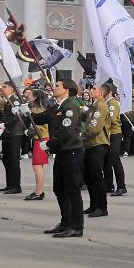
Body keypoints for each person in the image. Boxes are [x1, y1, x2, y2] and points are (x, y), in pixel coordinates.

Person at [32, 79, 85, 238]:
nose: (53, 88)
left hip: (72, 152)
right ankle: (65, 222)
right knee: (59, 189)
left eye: (57, 86)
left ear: (66, 90)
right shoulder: (57, 107)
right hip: (62, 152)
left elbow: (66, 132)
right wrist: (24, 111)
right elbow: (40, 118)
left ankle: (76, 227)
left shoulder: (71, 107)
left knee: (72, 190)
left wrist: (49, 144)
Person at [82, 84, 111, 218]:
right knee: (89, 176)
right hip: (91, 144)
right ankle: (94, 204)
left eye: (94, 89)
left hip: (98, 143)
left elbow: (94, 128)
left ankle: (101, 206)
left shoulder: (100, 106)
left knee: (96, 176)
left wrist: (81, 136)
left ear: (100, 93)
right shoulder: (94, 106)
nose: (90, 90)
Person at [0, 81, 26, 194]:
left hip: (14, 133)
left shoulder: (15, 100)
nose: (2, 89)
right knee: (6, 159)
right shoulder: (7, 100)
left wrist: (5, 124)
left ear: (12, 89)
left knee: (13, 160)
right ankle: (9, 184)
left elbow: (17, 117)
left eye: (4, 87)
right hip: (7, 133)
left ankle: (16, 186)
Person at [24, 86, 48, 201]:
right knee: (39, 166)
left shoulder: (37, 109)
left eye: (31, 94)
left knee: (37, 166)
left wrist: (28, 131)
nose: (28, 96)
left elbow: (40, 127)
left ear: (35, 97)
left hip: (41, 138)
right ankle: (39, 190)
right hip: (41, 138)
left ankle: (39, 192)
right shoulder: (39, 107)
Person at [103, 83, 126, 197]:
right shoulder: (105, 103)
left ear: (110, 92)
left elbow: (112, 119)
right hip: (107, 135)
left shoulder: (112, 103)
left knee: (114, 160)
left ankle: (121, 186)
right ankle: (109, 185)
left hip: (114, 133)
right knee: (106, 161)